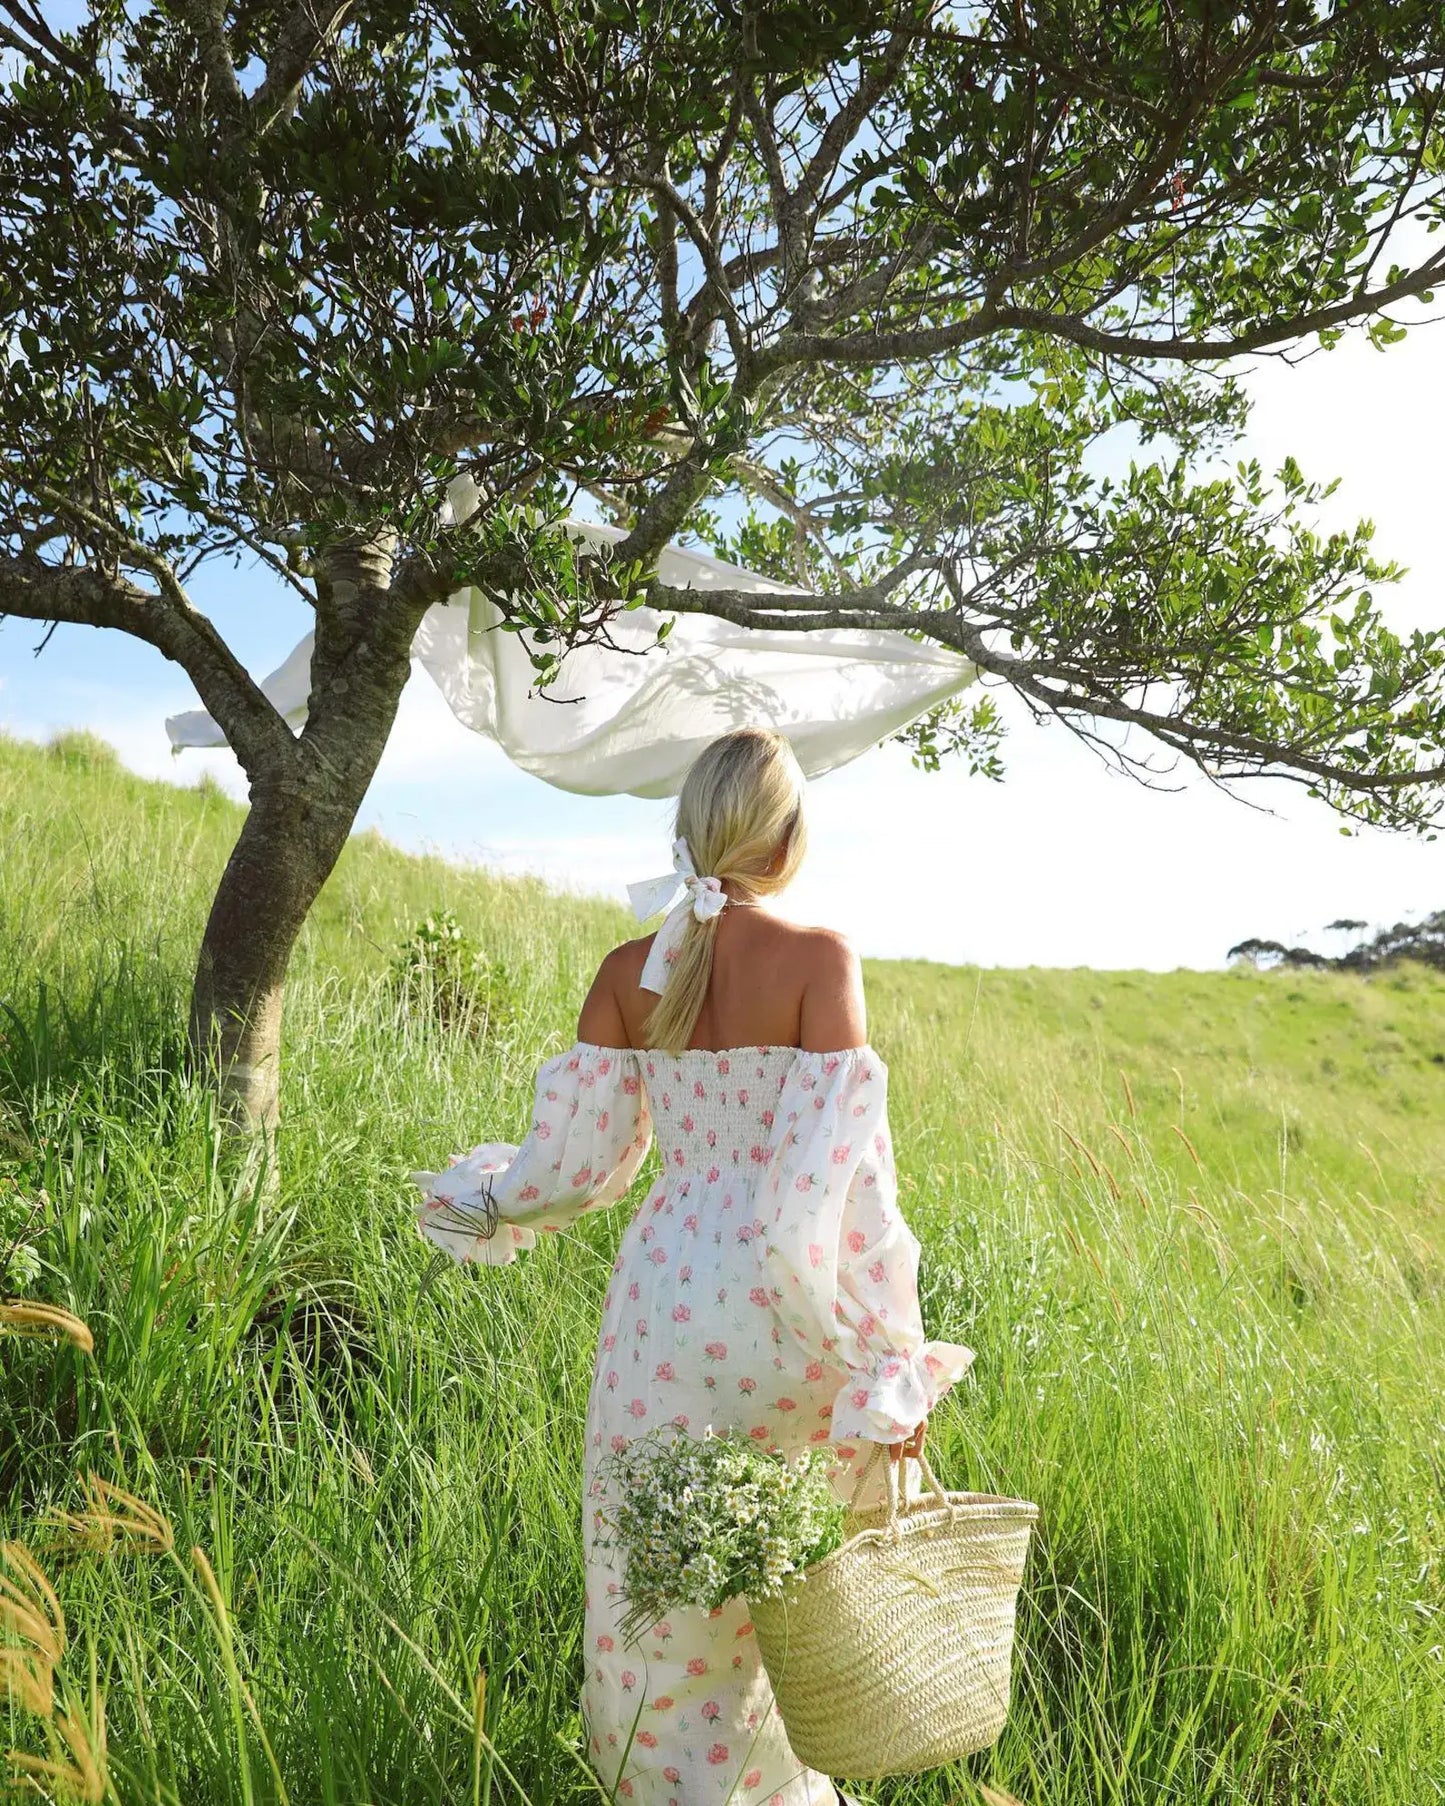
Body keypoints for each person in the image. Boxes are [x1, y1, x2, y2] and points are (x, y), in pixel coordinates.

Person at [415, 727, 973, 1805]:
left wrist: (478, 1198)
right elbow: (838, 1184)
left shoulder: (630, 972)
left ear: (685, 832)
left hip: (666, 1296)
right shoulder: (820, 959)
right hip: (782, 1303)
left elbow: (574, 1167)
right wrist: (883, 1355)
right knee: (787, 1573)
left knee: (652, 1572)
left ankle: (663, 1786)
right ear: (788, 834)